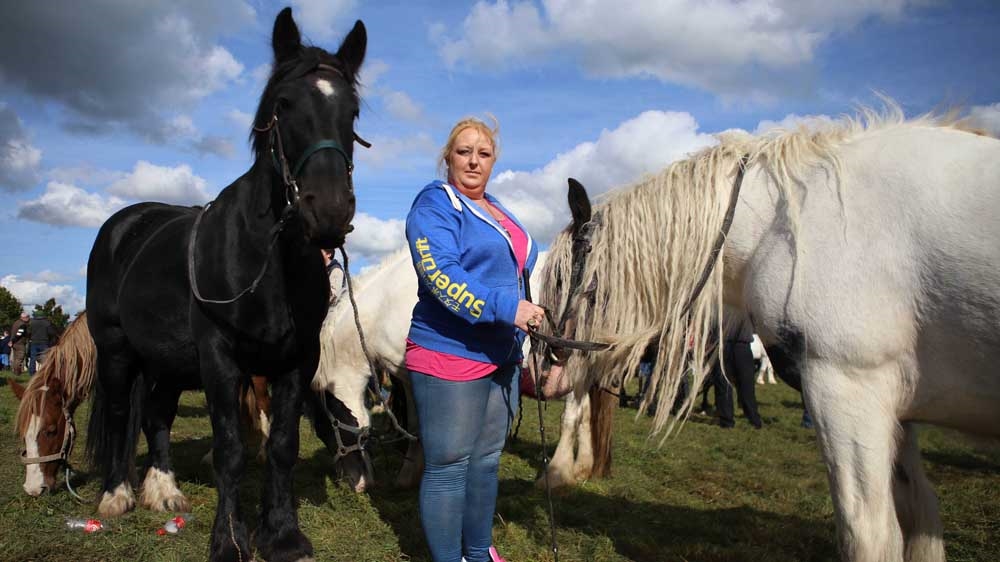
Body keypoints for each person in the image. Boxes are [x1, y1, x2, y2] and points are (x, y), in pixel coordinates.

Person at [404, 116, 542, 562]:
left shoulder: (497, 208)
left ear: (494, 161)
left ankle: (479, 552)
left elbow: (516, 267)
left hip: (501, 353)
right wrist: (509, 308)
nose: (473, 161)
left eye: (483, 154)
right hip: (449, 351)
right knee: (448, 466)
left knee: (485, 462)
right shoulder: (435, 203)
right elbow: (441, 275)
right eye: (464, 152)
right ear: (448, 157)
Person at [709, 312, 763, 429]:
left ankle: (751, 418)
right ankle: (730, 420)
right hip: (726, 344)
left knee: (744, 384)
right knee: (726, 383)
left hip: (738, 344)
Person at [27, 310, 57, 375]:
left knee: (33, 358)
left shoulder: (31, 323)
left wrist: (31, 337)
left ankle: (32, 372)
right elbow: (51, 333)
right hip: (44, 342)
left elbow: (28, 332)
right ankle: (45, 371)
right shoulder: (47, 323)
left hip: (34, 342)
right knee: (45, 358)